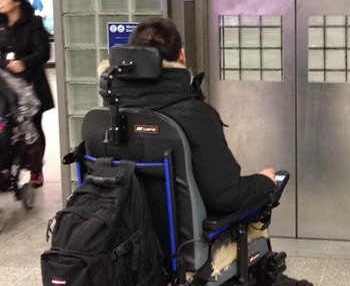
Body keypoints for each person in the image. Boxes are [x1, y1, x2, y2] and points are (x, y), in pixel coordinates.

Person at [110, 17, 277, 214]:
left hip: (122, 237)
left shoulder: (108, 114)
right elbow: (226, 197)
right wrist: (265, 181)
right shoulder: (195, 116)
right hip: (183, 241)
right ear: (182, 55)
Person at [0, 0, 53, 187]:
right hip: (4, 84)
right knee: (5, 126)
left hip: (30, 84)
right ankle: (6, 167)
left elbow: (43, 53)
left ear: (17, 1)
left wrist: (23, 63)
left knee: (32, 126)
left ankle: (35, 169)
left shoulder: (33, 23)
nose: (0, 2)